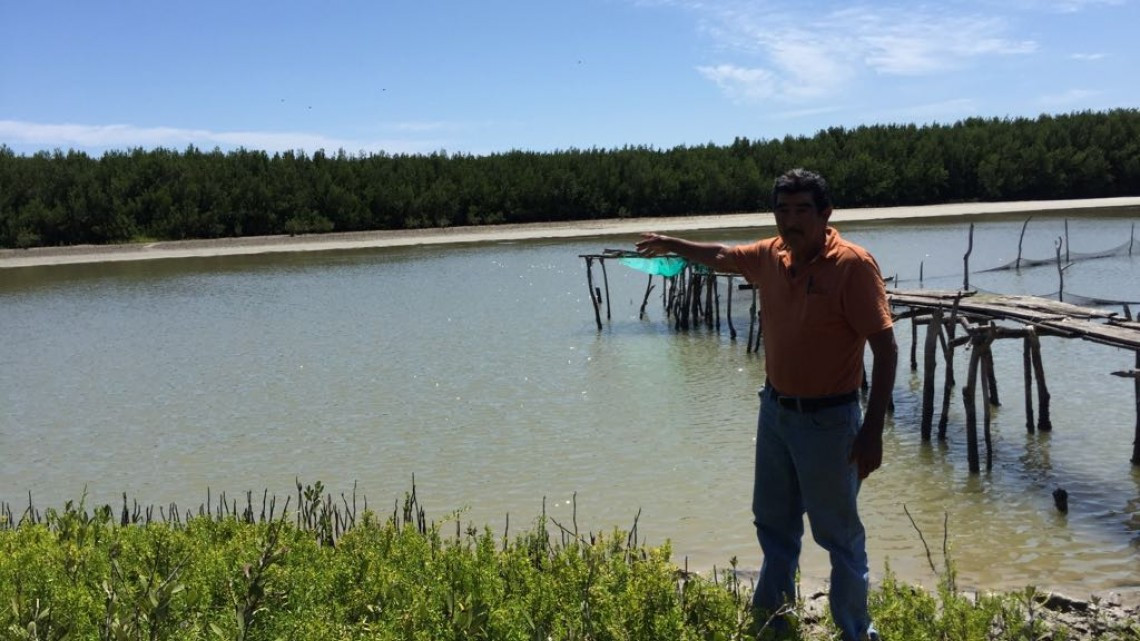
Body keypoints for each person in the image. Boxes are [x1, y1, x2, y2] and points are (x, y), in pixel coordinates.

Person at [635, 168, 897, 641]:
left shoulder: (852, 265)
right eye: (782, 210)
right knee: (774, 525)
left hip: (830, 420)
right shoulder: (771, 255)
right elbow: (721, 255)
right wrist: (673, 244)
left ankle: (857, 632)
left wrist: (872, 430)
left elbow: (886, 347)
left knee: (838, 535)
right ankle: (774, 624)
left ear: (825, 214)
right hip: (775, 412)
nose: (791, 221)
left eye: (802, 211)